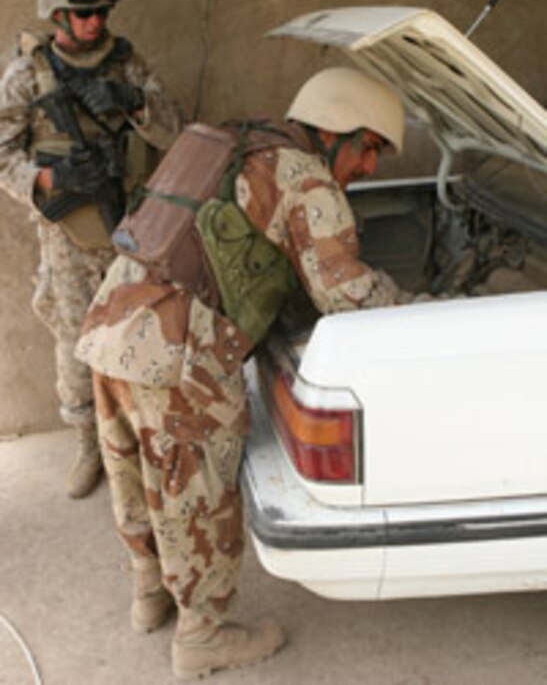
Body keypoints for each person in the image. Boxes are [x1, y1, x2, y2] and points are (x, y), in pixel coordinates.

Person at [75, 66, 408, 680]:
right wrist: (417, 305)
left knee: (136, 467)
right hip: (176, 345)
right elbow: (346, 296)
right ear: (338, 128)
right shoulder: (305, 178)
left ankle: (149, 592)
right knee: (194, 488)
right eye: (369, 149)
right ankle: (203, 633)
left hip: (113, 319)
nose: (369, 169)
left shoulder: (240, 140)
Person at [0, 0, 184, 498]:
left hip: (133, 226)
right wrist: (49, 180)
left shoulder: (127, 64)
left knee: (141, 334)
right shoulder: (26, 74)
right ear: (57, 16)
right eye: (82, 13)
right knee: (74, 340)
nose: (94, 23)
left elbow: (175, 130)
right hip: (69, 236)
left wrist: (133, 102)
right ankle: (88, 443)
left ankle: (140, 439)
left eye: (102, 12)